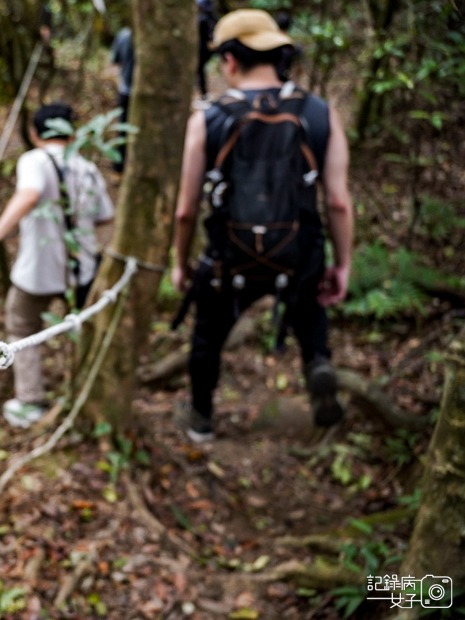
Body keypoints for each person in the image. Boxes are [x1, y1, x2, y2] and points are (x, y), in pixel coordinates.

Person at [170, 9, 354, 442]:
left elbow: (185, 209)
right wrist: (342, 264)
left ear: (230, 61)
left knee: (207, 335)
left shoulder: (208, 119)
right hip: (299, 249)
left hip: (228, 256)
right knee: (310, 303)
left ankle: (201, 416)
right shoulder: (320, 113)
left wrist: (181, 263)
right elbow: (339, 201)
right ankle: (317, 364)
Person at [0, 103, 115, 428]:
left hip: (38, 272)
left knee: (21, 327)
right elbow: (106, 216)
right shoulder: (87, 167)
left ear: (34, 133)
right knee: (83, 328)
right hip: (82, 271)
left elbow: (29, 195)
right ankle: (85, 388)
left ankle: (30, 401)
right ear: (72, 132)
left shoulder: (34, 160)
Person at [110, 27, 133, 173]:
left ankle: (119, 167)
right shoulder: (125, 35)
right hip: (129, 90)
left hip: (126, 90)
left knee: (123, 127)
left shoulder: (124, 34)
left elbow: (115, 61)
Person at [197, 0, 218, 99]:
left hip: (203, 48)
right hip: (206, 48)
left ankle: (203, 93)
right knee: (200, 70)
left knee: (200, 70)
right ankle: (203, 92)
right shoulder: (211, 18)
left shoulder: (203, 19)